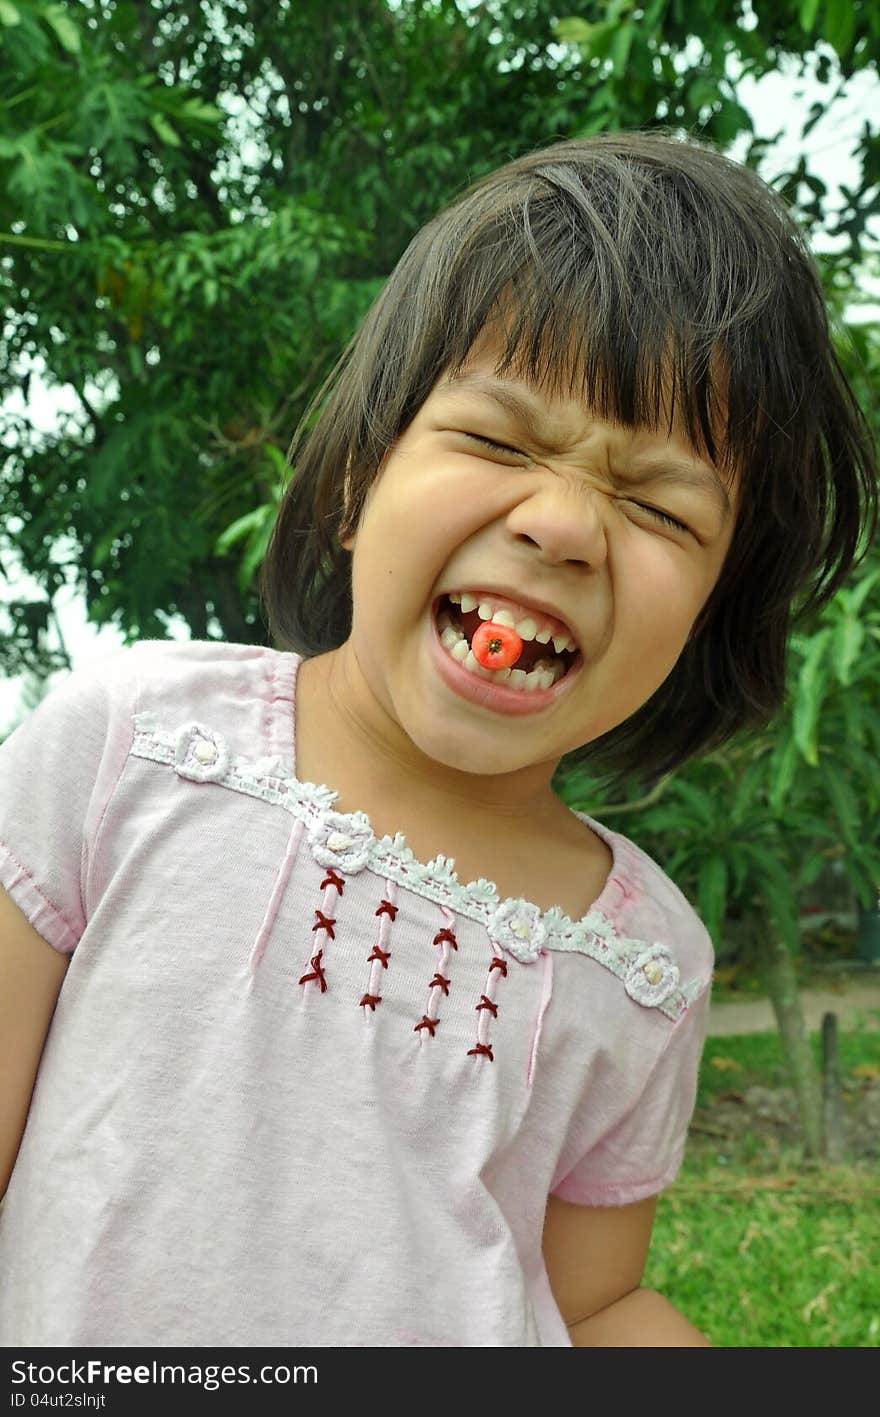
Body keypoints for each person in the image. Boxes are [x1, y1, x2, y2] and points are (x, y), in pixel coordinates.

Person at [0, 132, 876, 1350]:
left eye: (656, 504)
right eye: (500, 441)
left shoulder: (641, 960)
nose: (563, 524)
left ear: (710, 615)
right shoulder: (133, 746)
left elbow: (593, 1300)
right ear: (363, 472)